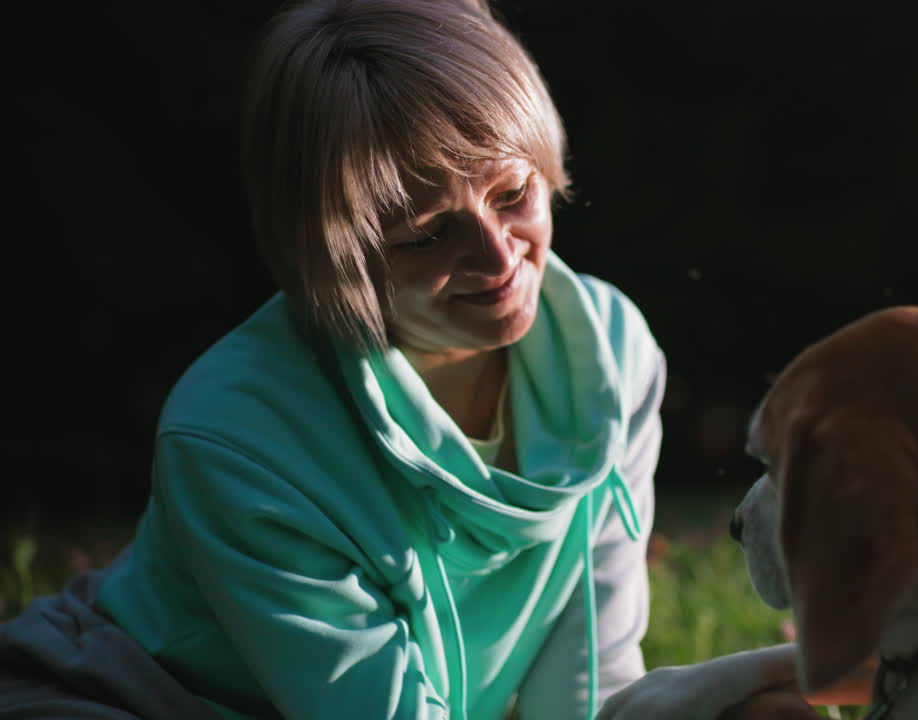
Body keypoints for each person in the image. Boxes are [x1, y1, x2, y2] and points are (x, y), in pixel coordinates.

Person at [0, 1, 663, 718]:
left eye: (512, 193)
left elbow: (593, 679)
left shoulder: (613, 353)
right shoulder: (238, 438)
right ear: (330, 253)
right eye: (428, 234)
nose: (498, 256)